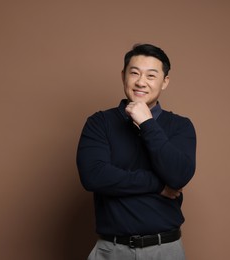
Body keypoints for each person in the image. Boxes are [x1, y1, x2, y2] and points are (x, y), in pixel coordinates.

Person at [76, 43, 196, 260]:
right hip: (111, 250)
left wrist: (147, 123)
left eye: (151, 76)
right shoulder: (100, 122)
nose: (141, 82)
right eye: (134, 73)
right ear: (123, 76)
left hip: (165, 249)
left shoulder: (180, 126)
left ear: (164, 81)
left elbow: (178, 176)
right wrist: (158, 185)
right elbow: (93, 176)